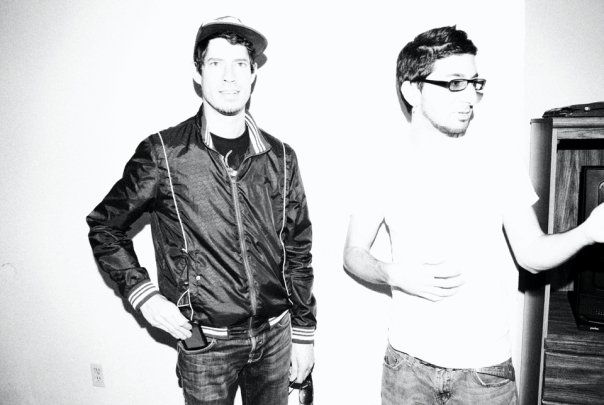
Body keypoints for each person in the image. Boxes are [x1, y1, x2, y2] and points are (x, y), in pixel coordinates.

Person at [343, 25, 604, 404]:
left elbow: (531, 254)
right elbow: (353, 253)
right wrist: (392, 274)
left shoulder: (498, 160)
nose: (469, 97)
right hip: (406, 370)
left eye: (475, 84)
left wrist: (588, 231)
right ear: (412, 90)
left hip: (483, 376)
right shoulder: (383, 164)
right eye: (455, 84)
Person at [87, 16, 316, 405]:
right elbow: (105, 227)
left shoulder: (281, 157)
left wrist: (304, 334)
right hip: (206, 346)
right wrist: (143, 294)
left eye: (240, 64)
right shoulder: (164, 154)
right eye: (216, 63)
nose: (229, 76)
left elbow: (297, 248)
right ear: (198, 73)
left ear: (253, 74)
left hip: (276, 337)